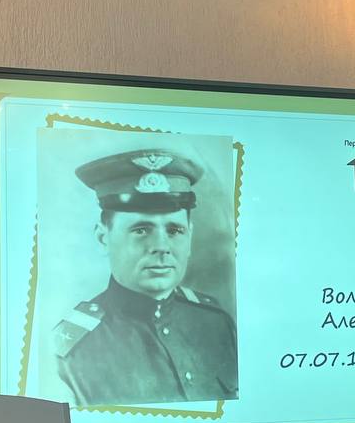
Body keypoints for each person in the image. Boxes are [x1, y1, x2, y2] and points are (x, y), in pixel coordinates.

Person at [53, 148, 238, 407]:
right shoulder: (69, 354)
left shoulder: (217, 323)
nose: (161, 246)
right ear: (103, 238)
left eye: (175, 230)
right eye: (141, 230)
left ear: (190, 237)